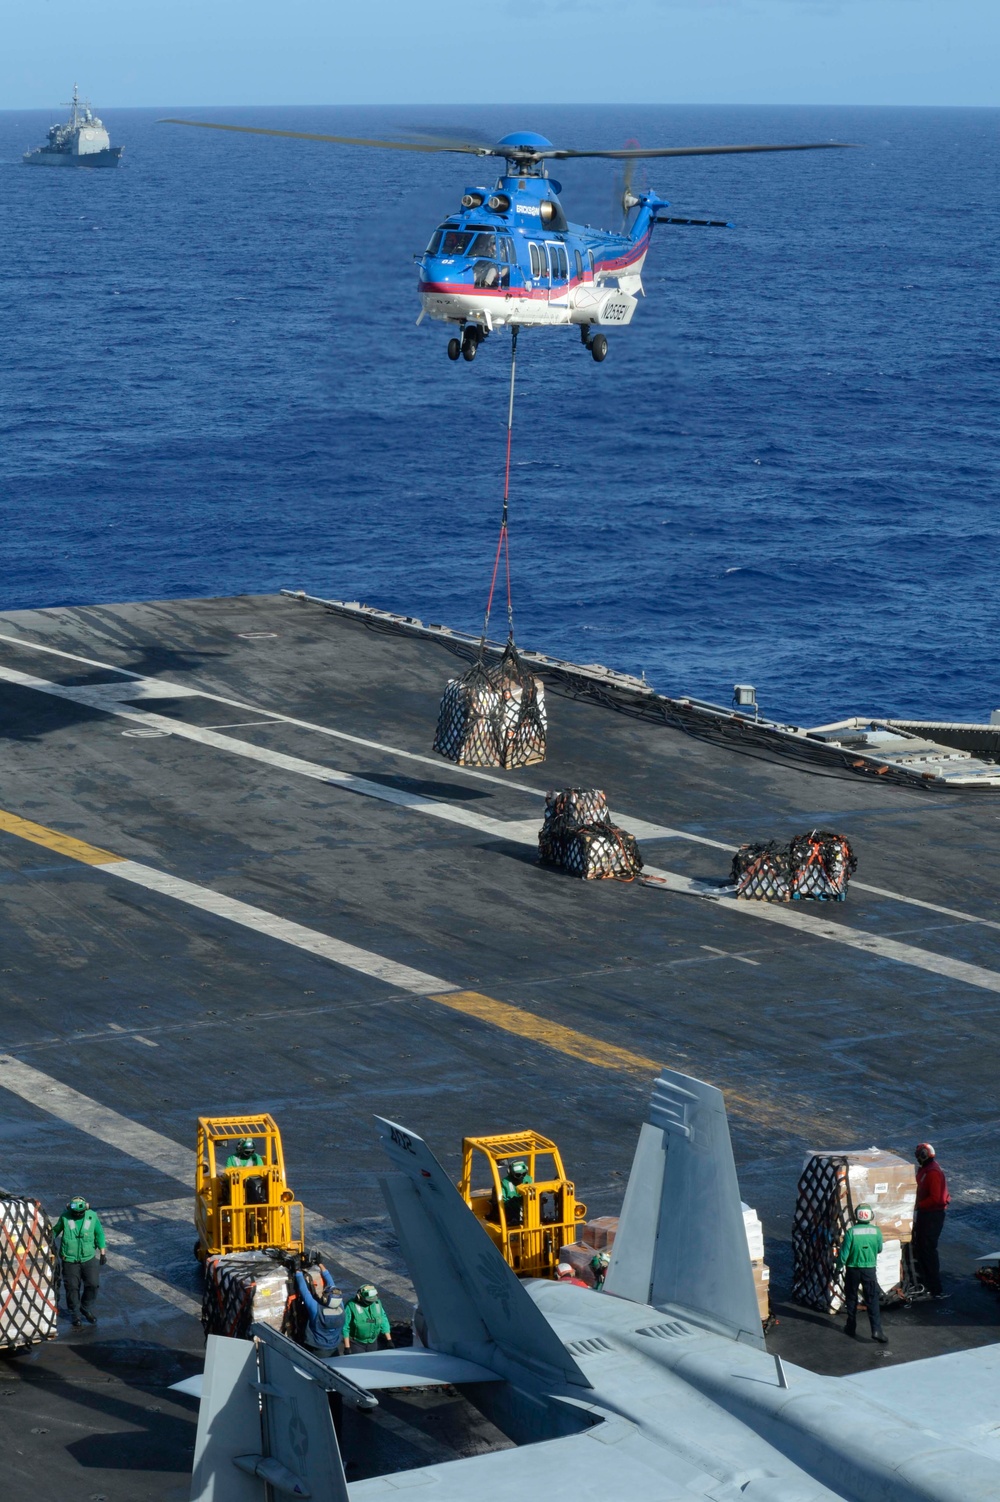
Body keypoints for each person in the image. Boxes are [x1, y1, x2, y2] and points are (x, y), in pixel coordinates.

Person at [52, 1197, 106, 1327]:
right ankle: (75, 1313)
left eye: (79, 1213)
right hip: (69, 1260)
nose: (77, 1215)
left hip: (88, 1257)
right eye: (74, 1213)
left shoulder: (92, 1217)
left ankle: (85, 1308)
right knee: (72, 1288)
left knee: (93, 1284)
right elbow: (54, 1231)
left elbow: (99, 1234)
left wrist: (102, 1252)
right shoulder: (65, 1217)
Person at [839, 1204, 888, 1343]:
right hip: (869, 1270)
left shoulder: (851, 1232)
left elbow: (844, 1254)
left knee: (851, 1297)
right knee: (872, 1299)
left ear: (856, 1216)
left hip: (853, 1270)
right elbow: (879, 1249)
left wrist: (838, 1267)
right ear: (870, 1216)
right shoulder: (876, 1231)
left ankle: (851, 1326)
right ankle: (877, 1330)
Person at [913, 1142, 950, 1299]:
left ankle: (935, 1288)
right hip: (925, 1213)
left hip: (932, 1215)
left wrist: (917, 1206)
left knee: (928, 1249)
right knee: (921, 1247)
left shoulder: (932, 1172)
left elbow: (935, 1198)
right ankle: (924, 1281)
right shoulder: (925, 1169)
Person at [294, 1262, 345, 1355]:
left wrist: (297, 1271)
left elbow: (304, 1292)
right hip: (334, 1348)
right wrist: (321, 1265)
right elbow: (332, 1284)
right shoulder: (341, 1308)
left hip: (318, 1349)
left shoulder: (316, 1310)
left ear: (325, 1299)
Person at [342, 1284, 393, 1355]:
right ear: (360, 1297)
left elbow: (383, 1320)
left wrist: (389, 1340)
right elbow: (345, 1327)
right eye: (369, 1301)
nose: (371, 1303)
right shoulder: (351, 1306)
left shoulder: (377, 1304)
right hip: (357, 1342)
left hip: (373, 1341)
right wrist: (347, 1347)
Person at [499, 1160, 533, 1228]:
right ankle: (513, 1221)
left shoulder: (528, 1179)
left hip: (526, 1204)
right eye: (518, 1175)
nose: (521, 1177)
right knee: (510, 1205)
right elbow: (503, 1200)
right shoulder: (505, 1182)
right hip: (512, 1207)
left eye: (523, 1174)